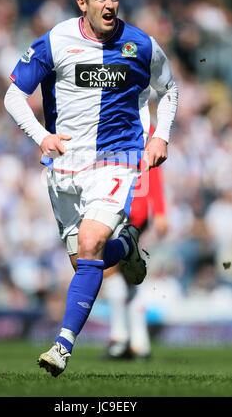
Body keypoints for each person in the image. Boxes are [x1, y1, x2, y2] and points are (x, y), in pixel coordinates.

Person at [4, 0, 178, 377]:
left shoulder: (140, 45)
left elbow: (168, 89)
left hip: (117, 158)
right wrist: (40, 136)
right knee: (88, 258)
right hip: (64, 166)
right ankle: (129, 246)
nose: (110, 6)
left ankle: (62, 346)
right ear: (82, 3)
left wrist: (160, 136)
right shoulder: (56, 41)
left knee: (92, 239)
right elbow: (14, 95)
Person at [103, 127, 168, 359]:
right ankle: (139, 342)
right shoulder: (145, 124)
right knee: (129, 274)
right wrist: (159, 211)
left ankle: (119, 340)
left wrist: (160, 210)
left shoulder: (124, 117)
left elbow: (153, 171)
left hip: (122, 206)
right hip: (132, 207)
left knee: (112, 271)